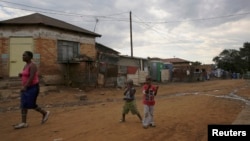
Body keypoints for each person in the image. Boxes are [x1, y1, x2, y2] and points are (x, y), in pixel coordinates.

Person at [13, 51, 50, 129]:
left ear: (30, 57)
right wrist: (21, 74)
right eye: (22, 55)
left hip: (33, 88)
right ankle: (24, 123)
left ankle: (45, 112)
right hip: (26, 87)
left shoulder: (32, 66)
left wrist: (25, 86)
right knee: (23, 104)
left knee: (31, 104)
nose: (23, 57)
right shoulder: (25, 65)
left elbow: (31, 77)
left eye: (24, 55)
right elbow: (26, 75)